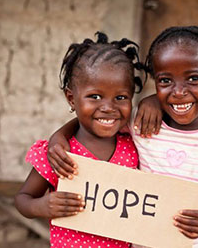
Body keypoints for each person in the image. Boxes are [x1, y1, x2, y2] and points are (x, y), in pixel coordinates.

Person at [48, 26, 198, 248]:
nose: (179, 91)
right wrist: (59, 136)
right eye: (165, 81)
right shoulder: (144, 125)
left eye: (193, 79)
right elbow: (95, 119)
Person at [14, 32, 157, 248]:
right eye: (95, 96)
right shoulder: (59, 154)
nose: (108, 107)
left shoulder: (134, 144)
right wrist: (41, 206)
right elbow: (23, 199)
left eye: (120, 98)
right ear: (71, 98)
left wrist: (153, 101)